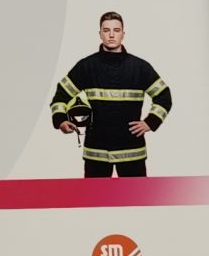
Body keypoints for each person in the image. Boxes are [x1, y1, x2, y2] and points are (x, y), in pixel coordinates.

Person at [48, 11, 173, 176]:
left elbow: (164, 97)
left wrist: (151, 122)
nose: (111, 35)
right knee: (94, 195)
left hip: (132, 153)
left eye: (116, 30)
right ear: (100, 34)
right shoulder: (86, 66)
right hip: (96, 153)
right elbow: (60, 97)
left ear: (123, 34)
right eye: (106, 30)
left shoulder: (140, 67)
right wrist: (61, 120)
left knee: (136, 194)